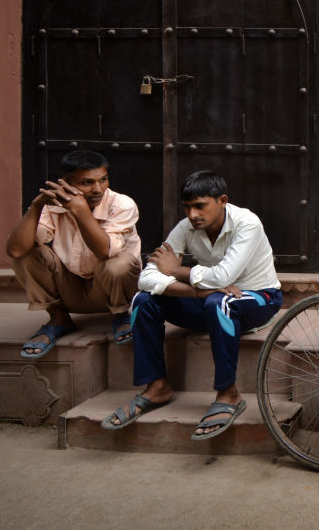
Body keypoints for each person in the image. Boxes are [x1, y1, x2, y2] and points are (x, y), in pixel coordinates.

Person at [103, 171, 282, 441]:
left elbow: (223, 277)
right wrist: (195, 292)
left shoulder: (247, 223)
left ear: (222, 200)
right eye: (187, 207)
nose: (192, 214)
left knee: (220, 300)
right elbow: (147, 277)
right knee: (144, 300)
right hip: (207, 301)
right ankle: (157, 386)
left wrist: (177, 269)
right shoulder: (186, 227)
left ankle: (228, 392)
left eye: (200, 205)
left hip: (258, 299)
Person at [5, 150, 141, 359]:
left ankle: (121, 316)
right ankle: (58, 318)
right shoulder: (53, 205)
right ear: (66, 184)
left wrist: (81, 211)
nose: (98, 189)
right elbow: (15, 250)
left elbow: (104, 252)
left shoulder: (121, 204)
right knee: (27, 252)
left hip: (109, 290)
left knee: (119, 262)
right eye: (87, 183)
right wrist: (36, 206)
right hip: (70, 291)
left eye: (103, 180)